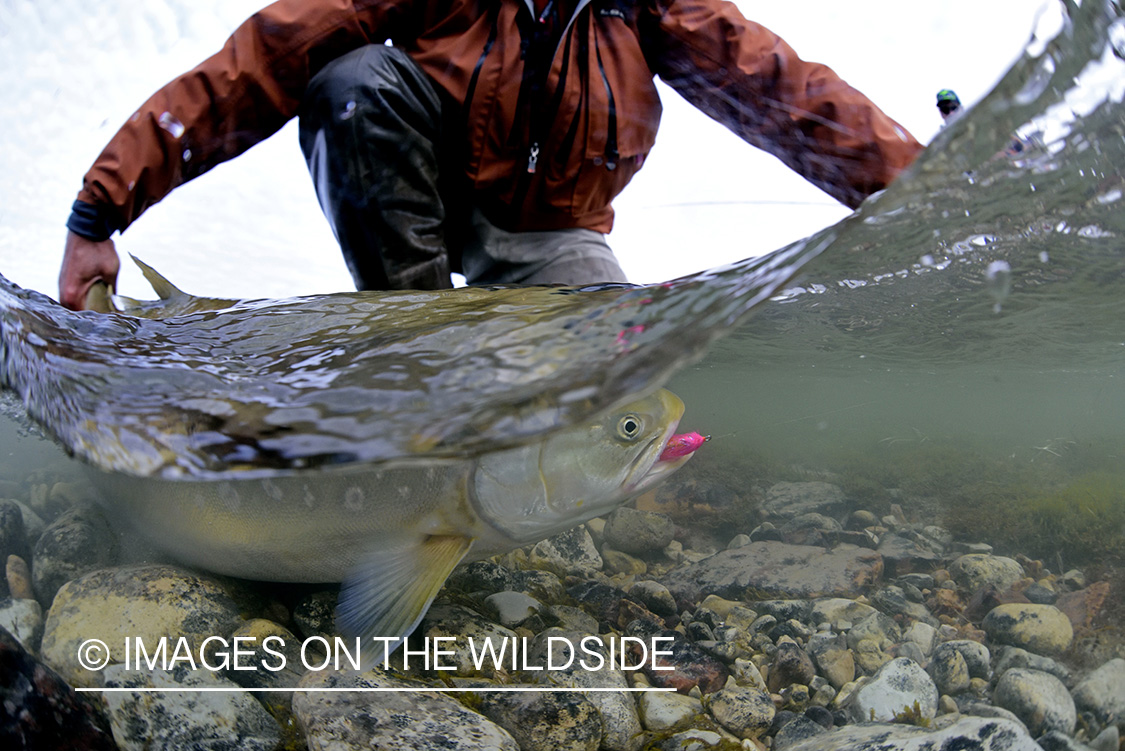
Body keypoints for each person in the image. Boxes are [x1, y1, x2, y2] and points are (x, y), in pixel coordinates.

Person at [59, 0, 923, 310]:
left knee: (617, 397)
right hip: (423, 209)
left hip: (553, 233)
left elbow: (787, 90)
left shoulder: (655, 4)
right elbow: (260, 62)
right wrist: (102, 209)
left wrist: (924, 189)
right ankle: (414, 346)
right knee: (353, 80)